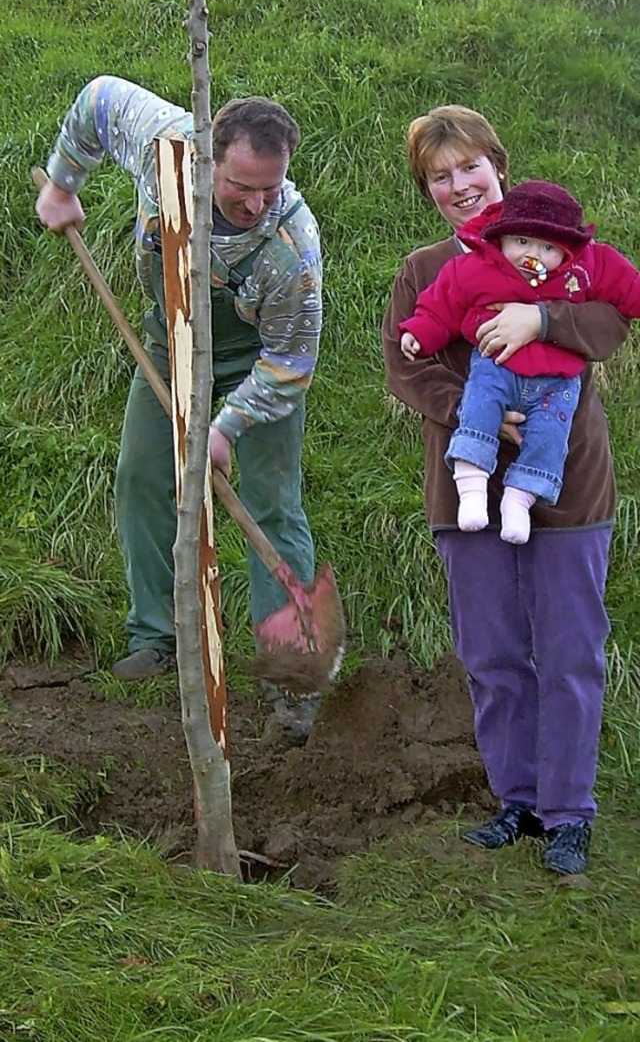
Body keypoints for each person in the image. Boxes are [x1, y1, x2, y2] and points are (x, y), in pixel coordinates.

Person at [382, 104, 630, 875]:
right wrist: (479, 419)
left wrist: (542, 317)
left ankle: (568, 813)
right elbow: (406, 365)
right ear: (427, 190)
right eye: (440, 176)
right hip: (466, 490)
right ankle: (516, 800)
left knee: (568, 653)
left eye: (470, 167)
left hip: (569, 486)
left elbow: (614, 318)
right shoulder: (424, 270)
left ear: (499, 165)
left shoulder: (569, 255)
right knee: (491, 654)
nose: (460, 186)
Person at [36, 75, 323, 736]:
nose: (254, 203)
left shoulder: (291, 247)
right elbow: (96, 100)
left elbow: (290, 364)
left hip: (255, 360)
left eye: (268, 189)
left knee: (270, 505)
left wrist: (226, 428)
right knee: (142, 475)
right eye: (239, 186)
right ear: (207, 156)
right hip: (172, 335)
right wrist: (62, 183)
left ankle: (292, 681)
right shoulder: (161, 140)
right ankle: (156, 637)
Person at [398, 180, 640, 544]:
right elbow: (441, 306)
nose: (533, 255)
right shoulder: (475, 266)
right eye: (522, 242)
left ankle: (520, 498)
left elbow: (625, 295)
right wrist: (419, 333)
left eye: (547, 247)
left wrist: (543, 320)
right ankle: (472, 487)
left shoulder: (585, 268)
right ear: (502, 237)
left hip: (556, 384)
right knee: (481, 399)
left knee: (549, 434)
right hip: (496, 367)